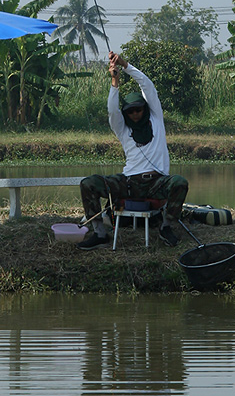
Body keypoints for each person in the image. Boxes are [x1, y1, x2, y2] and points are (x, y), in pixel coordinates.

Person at [77, 51, 188, 251]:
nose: (135, 114)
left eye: (138, 109)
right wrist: (114, 81)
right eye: (130, 111)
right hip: (128, 182)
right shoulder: (123, 128)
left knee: (179, 182)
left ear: (145, 109)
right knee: (88, 184)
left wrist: (125, 65)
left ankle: (166, 226)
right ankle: (99, 233)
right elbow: (112, 110)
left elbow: (147, 84)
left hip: (157, 182)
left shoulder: (156, 119)